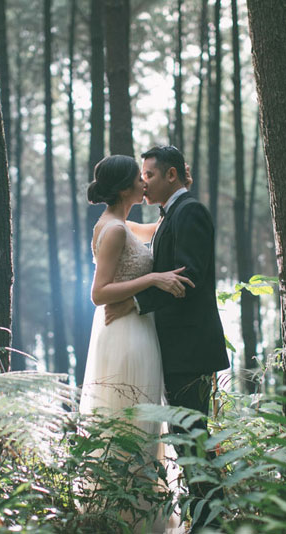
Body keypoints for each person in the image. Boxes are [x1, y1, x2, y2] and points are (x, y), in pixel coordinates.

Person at [106, 145, 229, 531]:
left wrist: (134, 302)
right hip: (176, 348)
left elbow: (188, 276)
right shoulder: (169, 216)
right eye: (141, 176)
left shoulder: (189, 211)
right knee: (185, 439)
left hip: (190, 349)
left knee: (192, 440)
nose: (144, 183)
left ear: (171, 175)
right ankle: (206, 519)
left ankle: (212, 523)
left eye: (150, 175)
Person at [79, 154, 188, 533]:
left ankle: (141, 514)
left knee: (144, 424)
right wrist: (153, 279)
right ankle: (127, 519)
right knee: (131, 423)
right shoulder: (112, 231)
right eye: (140, 178)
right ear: (126, 187)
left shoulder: (122, 225)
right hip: (125, 335)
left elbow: (160, 227)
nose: (146, 182)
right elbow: (98, 293)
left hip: (137, 330)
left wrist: (180, 193)